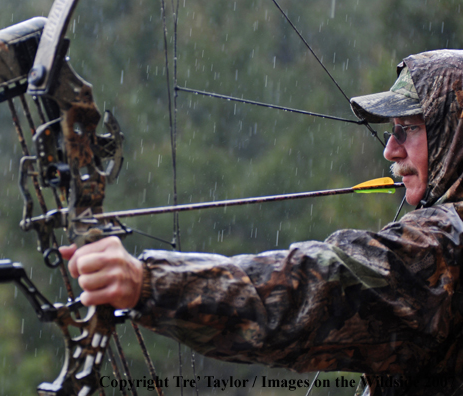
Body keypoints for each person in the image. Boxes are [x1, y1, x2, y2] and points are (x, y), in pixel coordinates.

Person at [60, 50, 463, 396]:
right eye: (391, 132)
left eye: (408, 129)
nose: (391, 150)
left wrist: (147, 283)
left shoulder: (445, 246)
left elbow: (317, 290)